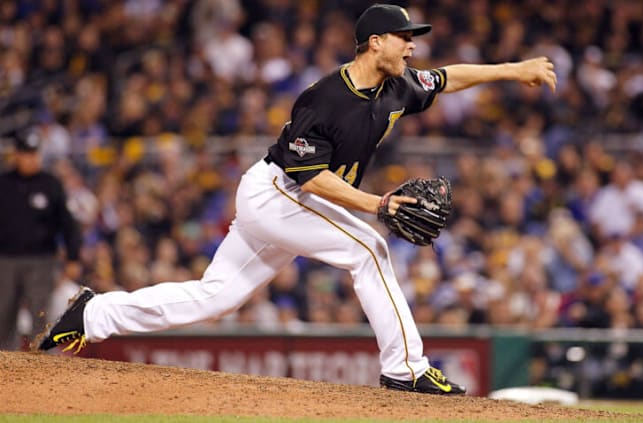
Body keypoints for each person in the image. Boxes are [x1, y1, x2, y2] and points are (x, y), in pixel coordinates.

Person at [36, 3, 556, 395]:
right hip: (278, 194)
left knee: (216, 295)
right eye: (404, 38)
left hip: (290, 202)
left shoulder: (397, 86)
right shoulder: (324, 98)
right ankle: (405, 369)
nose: (412, 46)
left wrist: (513, 70)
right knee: (369, 249)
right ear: (375, 42)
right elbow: (311, 179)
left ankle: (93, 315)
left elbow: (447, 79)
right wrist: (377, 204)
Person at [0, 131, 82, 350]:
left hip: (41, 261)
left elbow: (68, 223)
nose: (31, 159)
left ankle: (43, 368)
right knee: (3, 316)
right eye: (26, 153)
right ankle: (4, 365)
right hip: (5, 260)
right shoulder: (3, 184)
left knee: (41, 314)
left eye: (34, 153)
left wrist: (73, 257)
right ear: (16, 155)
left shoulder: (50, 184)